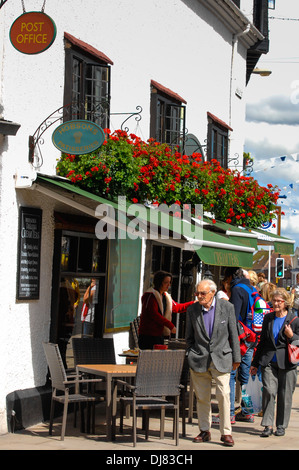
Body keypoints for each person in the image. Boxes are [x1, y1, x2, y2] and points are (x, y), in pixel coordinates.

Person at [186, 279, 241, 447]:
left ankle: (226, 433)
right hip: (199, 359)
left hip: (222, 358)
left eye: (203, 293)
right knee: (202, 397)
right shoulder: (192, 309)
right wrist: (190, 354)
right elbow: (188, 337)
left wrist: (236, 358)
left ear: (212, 293)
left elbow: (234, 334)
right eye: (197, 293)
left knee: (224, 395)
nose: (199, 296)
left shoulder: (227, 308)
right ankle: (204, 430)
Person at [250, 288, 299, 437]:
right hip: (269, 360)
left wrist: (292, 335)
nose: (276, 303)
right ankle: (267, 425)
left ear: (286, 302)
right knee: (269, 392)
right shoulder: (268, 318)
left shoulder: (294, 320)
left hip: (288, 362)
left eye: (279, 301)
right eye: (274, 300)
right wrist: (255, 363)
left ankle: (281, 426)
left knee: (285, 395)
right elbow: (263, 341)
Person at [138, 271, 194, 350]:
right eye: (166, 282)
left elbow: (176, 307)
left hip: (159, 335)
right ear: (159, 282)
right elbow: (154, 314)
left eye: (170, 282)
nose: (169, 285)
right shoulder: (150, 295)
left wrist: (193, 303)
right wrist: (170, 326)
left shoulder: (165, 296)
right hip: (148, 335)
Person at [229, 268, 257, 423]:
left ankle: (230, 413)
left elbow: (233, 317)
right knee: (245, 376)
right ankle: (247, 411)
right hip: (251, 338)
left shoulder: (237, 289)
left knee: (232, 375)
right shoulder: (252, 289)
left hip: (240, 339)